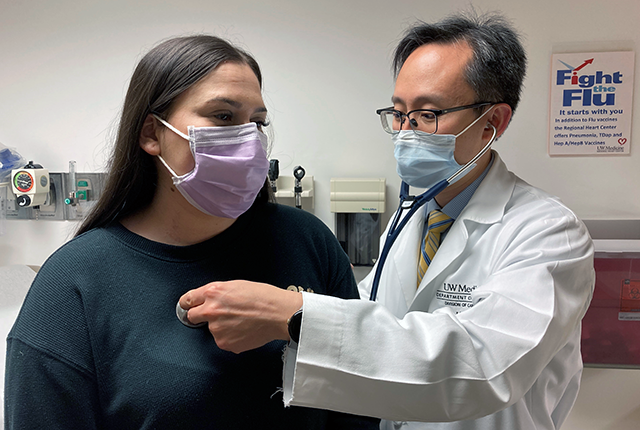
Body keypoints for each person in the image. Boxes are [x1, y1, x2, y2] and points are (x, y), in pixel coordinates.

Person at [178, 12, 595, 430]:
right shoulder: (410, 218)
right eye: (398, 113)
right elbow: (374, 313)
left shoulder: (550, 235)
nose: (406, 132)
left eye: (427, 114)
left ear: (492, 122)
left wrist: (295, 315)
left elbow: (482, 367)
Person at [4, 35, 380, 430]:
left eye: (257, 123)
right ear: (152, 133)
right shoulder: (73, 283)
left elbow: (358, 402)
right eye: (222, 116)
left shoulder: (308, 242)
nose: (249, 140)